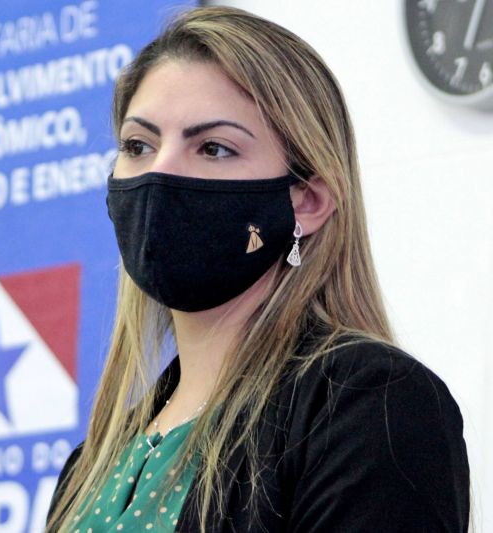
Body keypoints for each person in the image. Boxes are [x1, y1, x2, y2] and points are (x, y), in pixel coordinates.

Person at [46, 6, 469, 533]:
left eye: (214, 148)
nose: (160, 173)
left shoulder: (370, 404)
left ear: (307, 201)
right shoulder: (91, 465)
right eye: (138, 145)